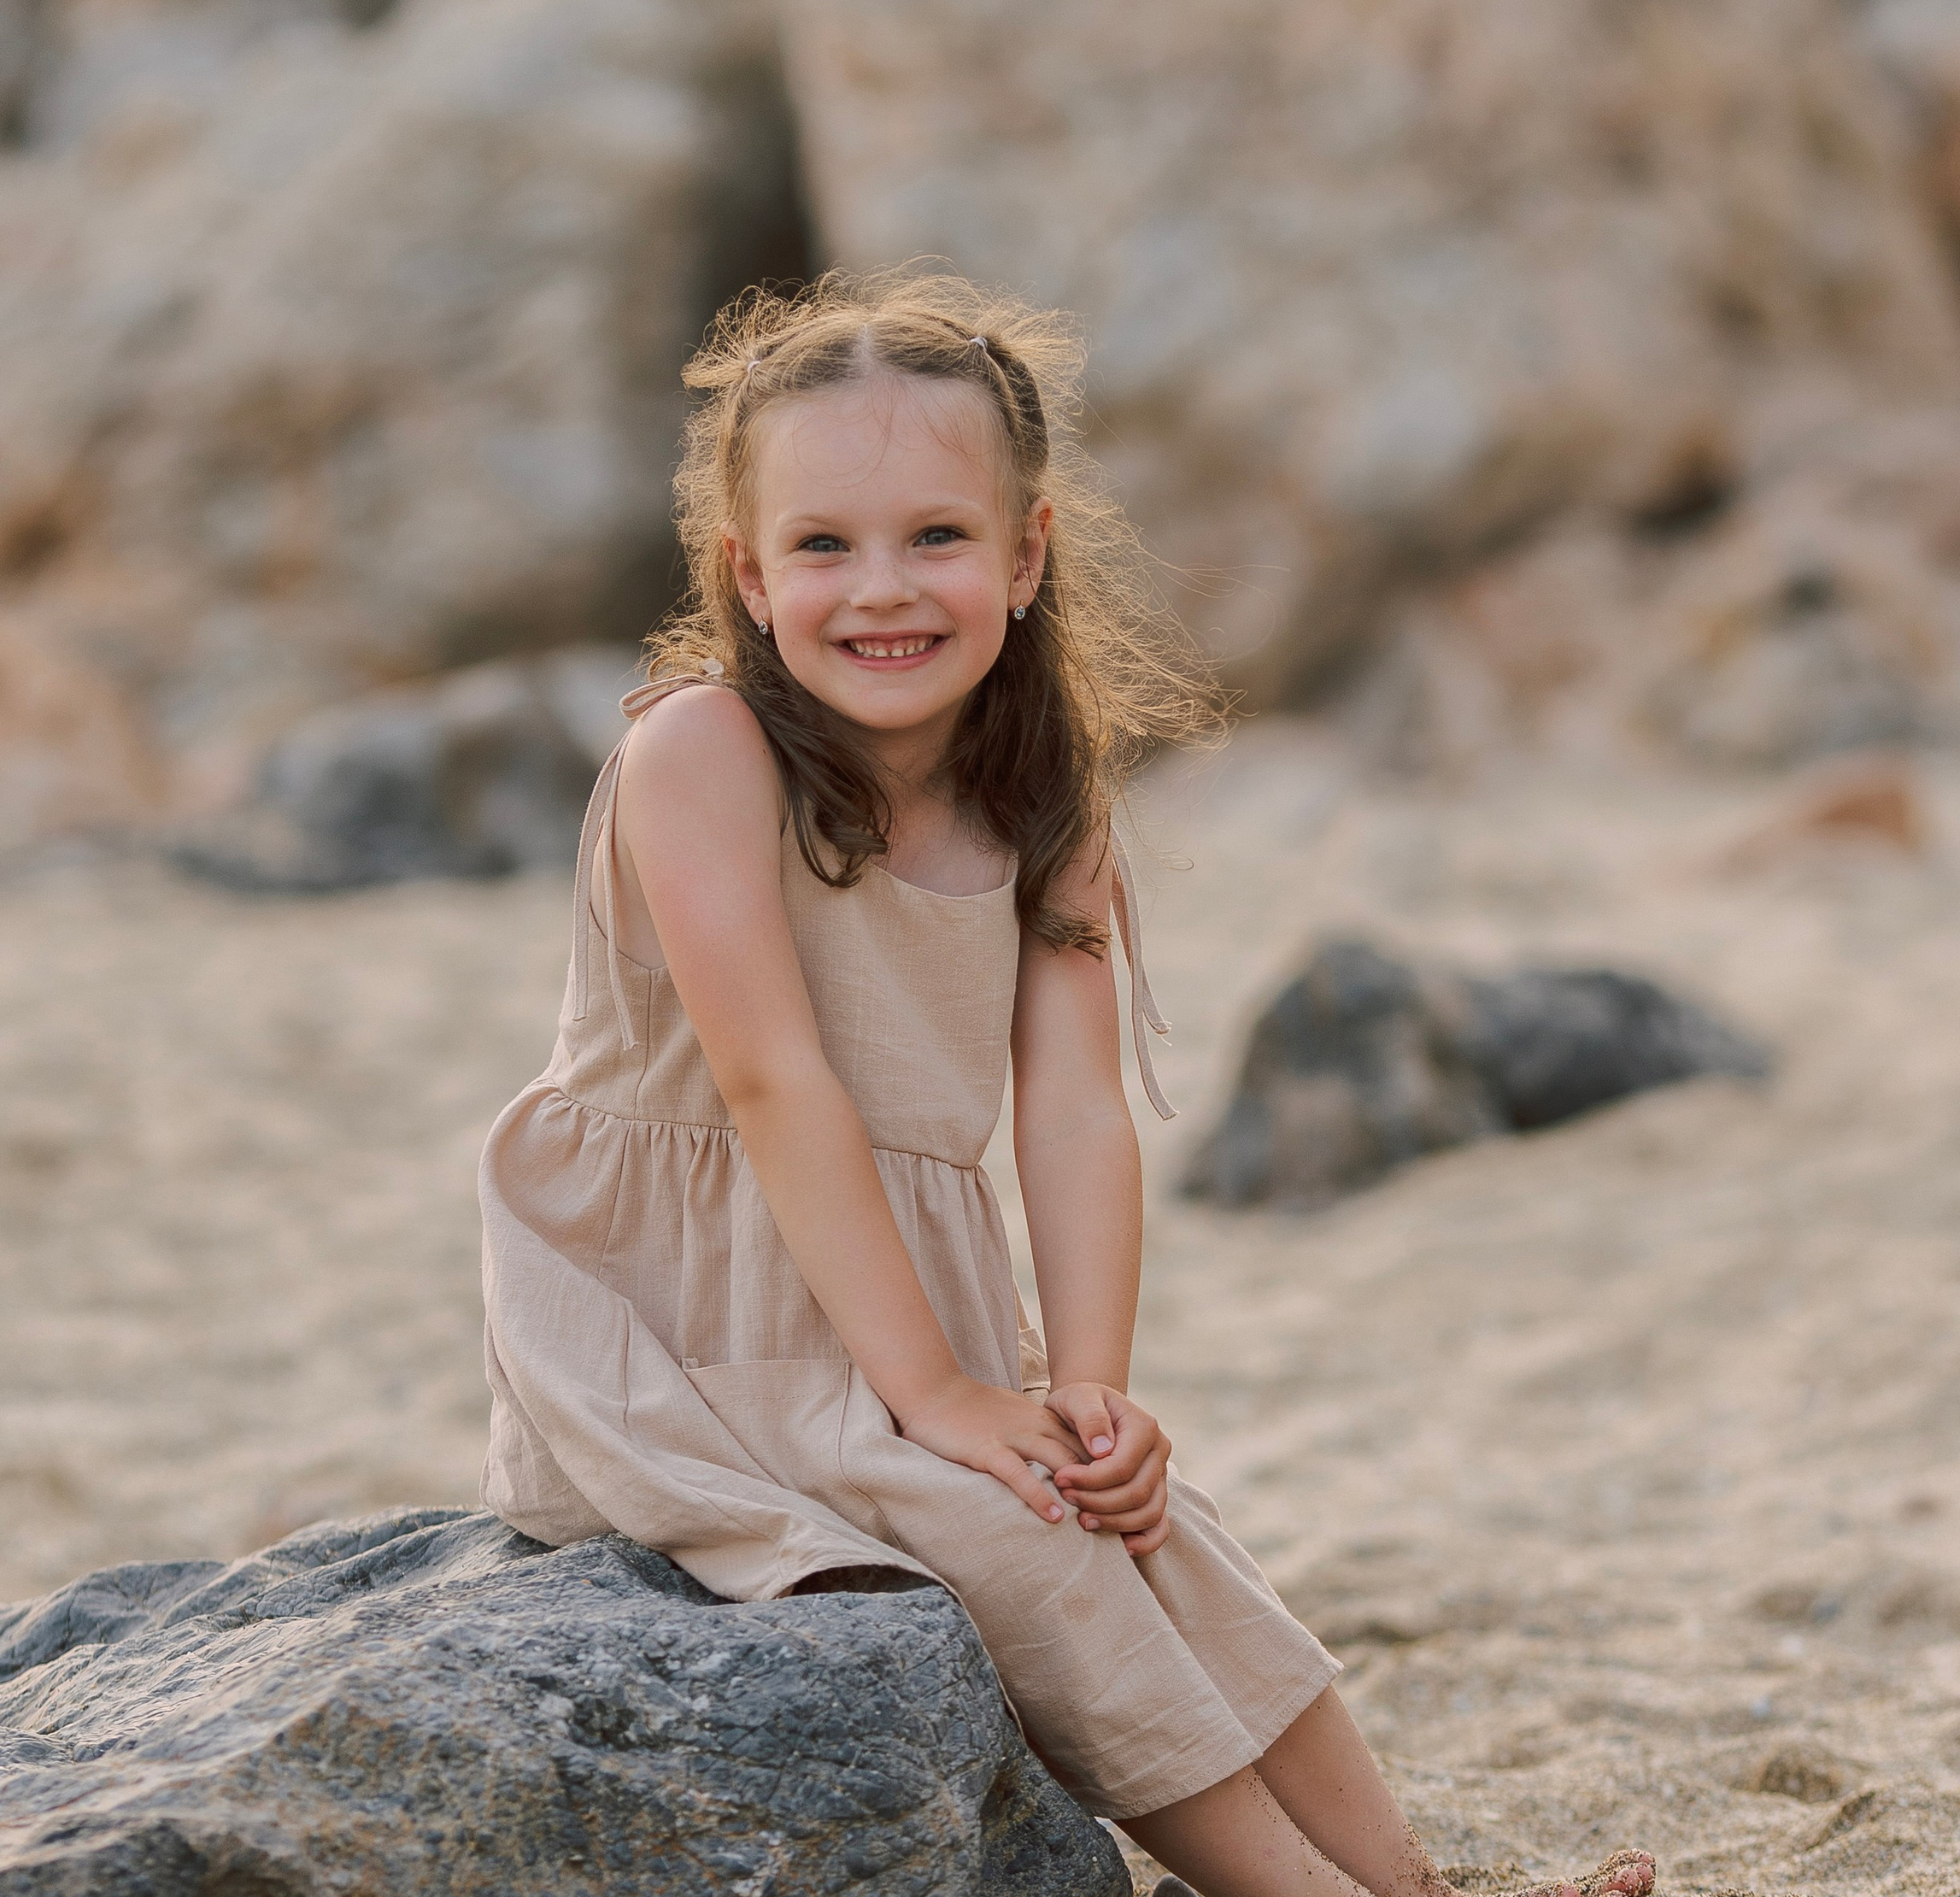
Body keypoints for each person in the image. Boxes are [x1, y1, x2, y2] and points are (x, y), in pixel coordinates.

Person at [477, 266, 1654, 1897]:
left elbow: (1077, 1110)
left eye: (936, 536)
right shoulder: (704, 756)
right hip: (686, 1319)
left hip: (900, 1312)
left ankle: (1416, 1887)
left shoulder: (1041, 800)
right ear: (747, 575)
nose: (882, 590)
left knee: (1153, 1535)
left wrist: (1091, 1392)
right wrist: (942, 1398)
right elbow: (771, 1081)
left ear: (1026, 556)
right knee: (1028, 1548)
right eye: (822, 547)